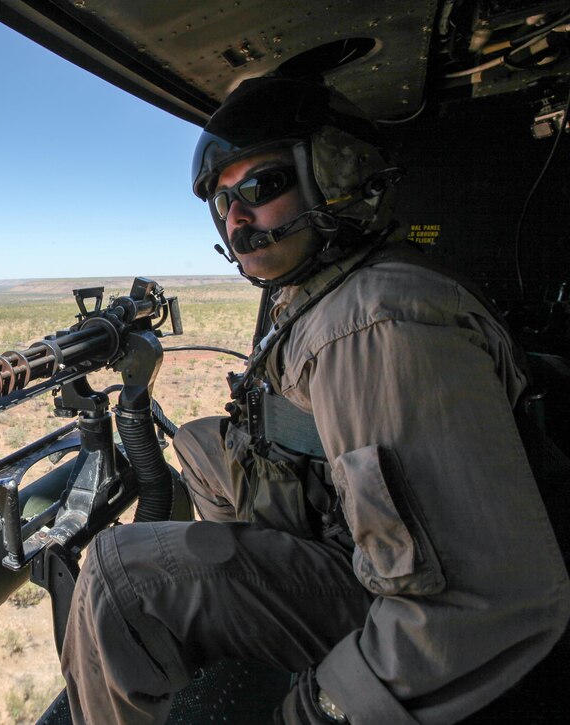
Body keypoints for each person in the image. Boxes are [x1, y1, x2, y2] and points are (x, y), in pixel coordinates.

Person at [59, 76, 570, 724]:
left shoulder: (373, 324)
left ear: (338, 176)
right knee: (198, 440)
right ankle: (246, 612)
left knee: (115, 578)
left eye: (260, 187)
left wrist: (317, 706)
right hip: (337, 517)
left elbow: (478, 604)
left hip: (382, 589)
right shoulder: (331, 285)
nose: (237, 218)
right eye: (223, 204)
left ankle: (253, 618)